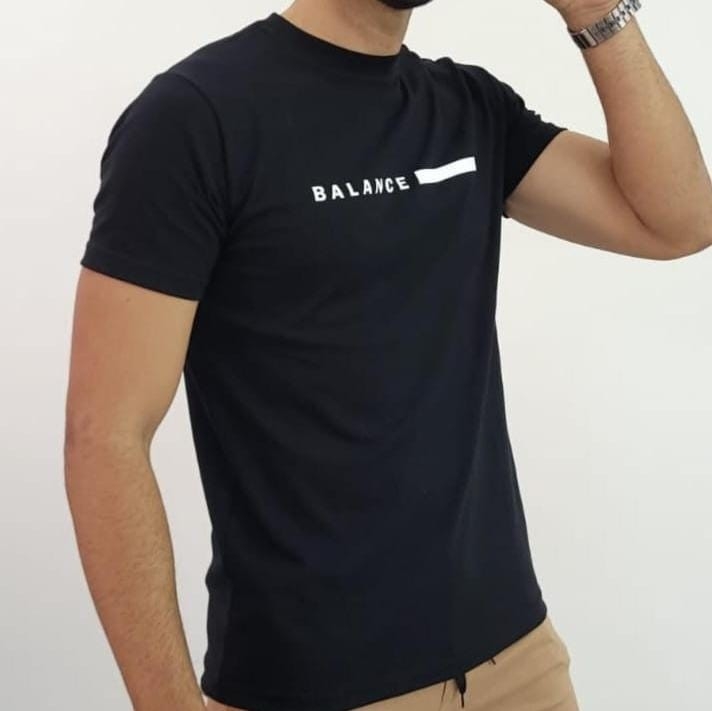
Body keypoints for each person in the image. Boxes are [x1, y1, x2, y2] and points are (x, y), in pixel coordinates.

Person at [64, 1, 712, 710]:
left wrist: (595, 11)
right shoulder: (195, 117)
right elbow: (105, 436)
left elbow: (676, 221)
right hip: (314, 689)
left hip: (520, 665)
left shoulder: (468, 107)